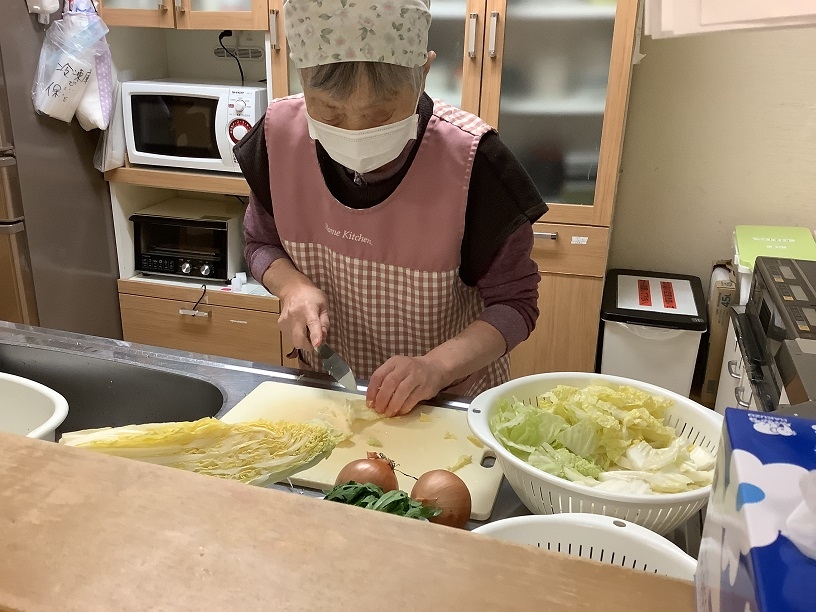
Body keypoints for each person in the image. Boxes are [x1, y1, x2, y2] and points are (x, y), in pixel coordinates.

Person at [234, 0, 547, 417]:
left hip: (446, 403)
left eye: (381, 114)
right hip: (330, 394)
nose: (356, 132)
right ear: (302, 76)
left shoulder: (476, 164)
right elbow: (261, 243)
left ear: (423, 71)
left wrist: (435, 367)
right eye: (330, 112)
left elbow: (515, 303)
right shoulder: (278, 139)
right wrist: (292, 286)